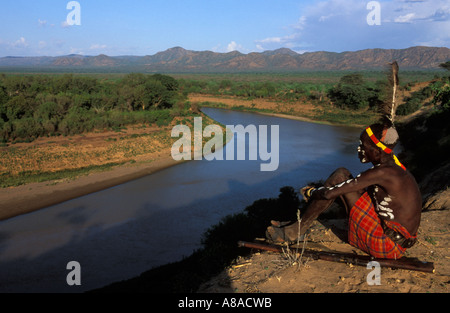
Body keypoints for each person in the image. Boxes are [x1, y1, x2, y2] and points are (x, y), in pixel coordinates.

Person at [266, 123, 422, 259]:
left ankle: (297, 229)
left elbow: (328, 193)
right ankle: (300, 224)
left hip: (388, 246)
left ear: (377, 152)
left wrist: (311, 192)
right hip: (397, 240)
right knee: (344, 181)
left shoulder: (383, 173)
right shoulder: (393, 167)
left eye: (363, 146)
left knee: (340, 177)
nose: (359, 149)